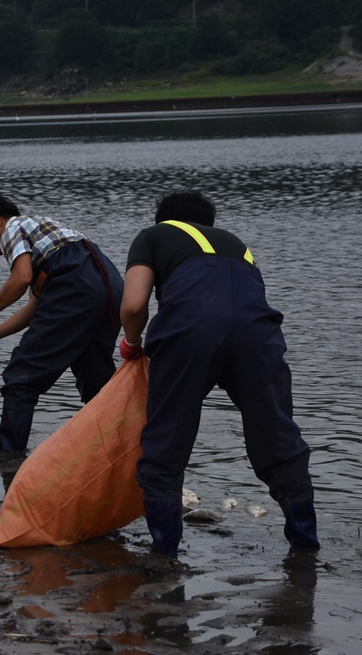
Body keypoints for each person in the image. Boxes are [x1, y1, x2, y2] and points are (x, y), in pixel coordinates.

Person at [119, 190, 319, 558]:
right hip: (258, 338)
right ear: (206, 222)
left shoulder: (152, 236)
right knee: (277, 439)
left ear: (164, 219)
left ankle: (164, 555)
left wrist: (131, 343)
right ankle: (306, 549)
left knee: (165, 445)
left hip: (189, 333)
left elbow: (133, 304)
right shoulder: (235, 244)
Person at [0, 194, 124, 453]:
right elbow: (35, 309)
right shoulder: (49, 238)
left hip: (76, 286)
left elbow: (22, 277)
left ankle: (9, 459)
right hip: (108, 287)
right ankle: (120, 448)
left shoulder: (14, 227)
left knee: (20, 379)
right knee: (97, 383)